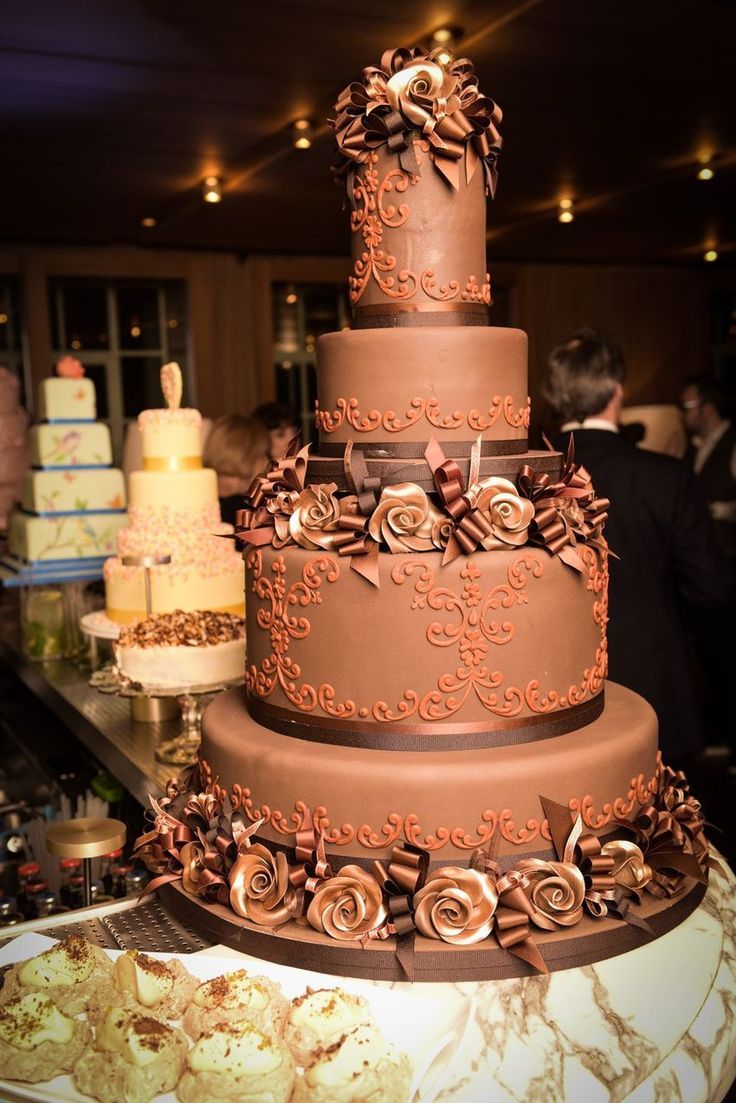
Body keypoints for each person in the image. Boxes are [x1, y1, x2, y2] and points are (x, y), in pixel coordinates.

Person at [544, 328, 729, 764]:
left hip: (552, 682)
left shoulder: (526, 481)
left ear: (555, 395)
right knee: (663, 823)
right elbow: (713, 588)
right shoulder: (665, 478)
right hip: (654, 676)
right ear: (616, 390)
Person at [679, 375, 736, 563]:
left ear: (708, 409)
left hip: (727, 559)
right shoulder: (691, 447)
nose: (682, 415)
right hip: (700, 560)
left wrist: (719, 510)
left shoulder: (732, 444)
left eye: (687, 407)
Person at [203, 415, 270, 527]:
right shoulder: (246, 515)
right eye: (263, 454)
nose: (267, 461)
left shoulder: (199, 499)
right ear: (245, 457)